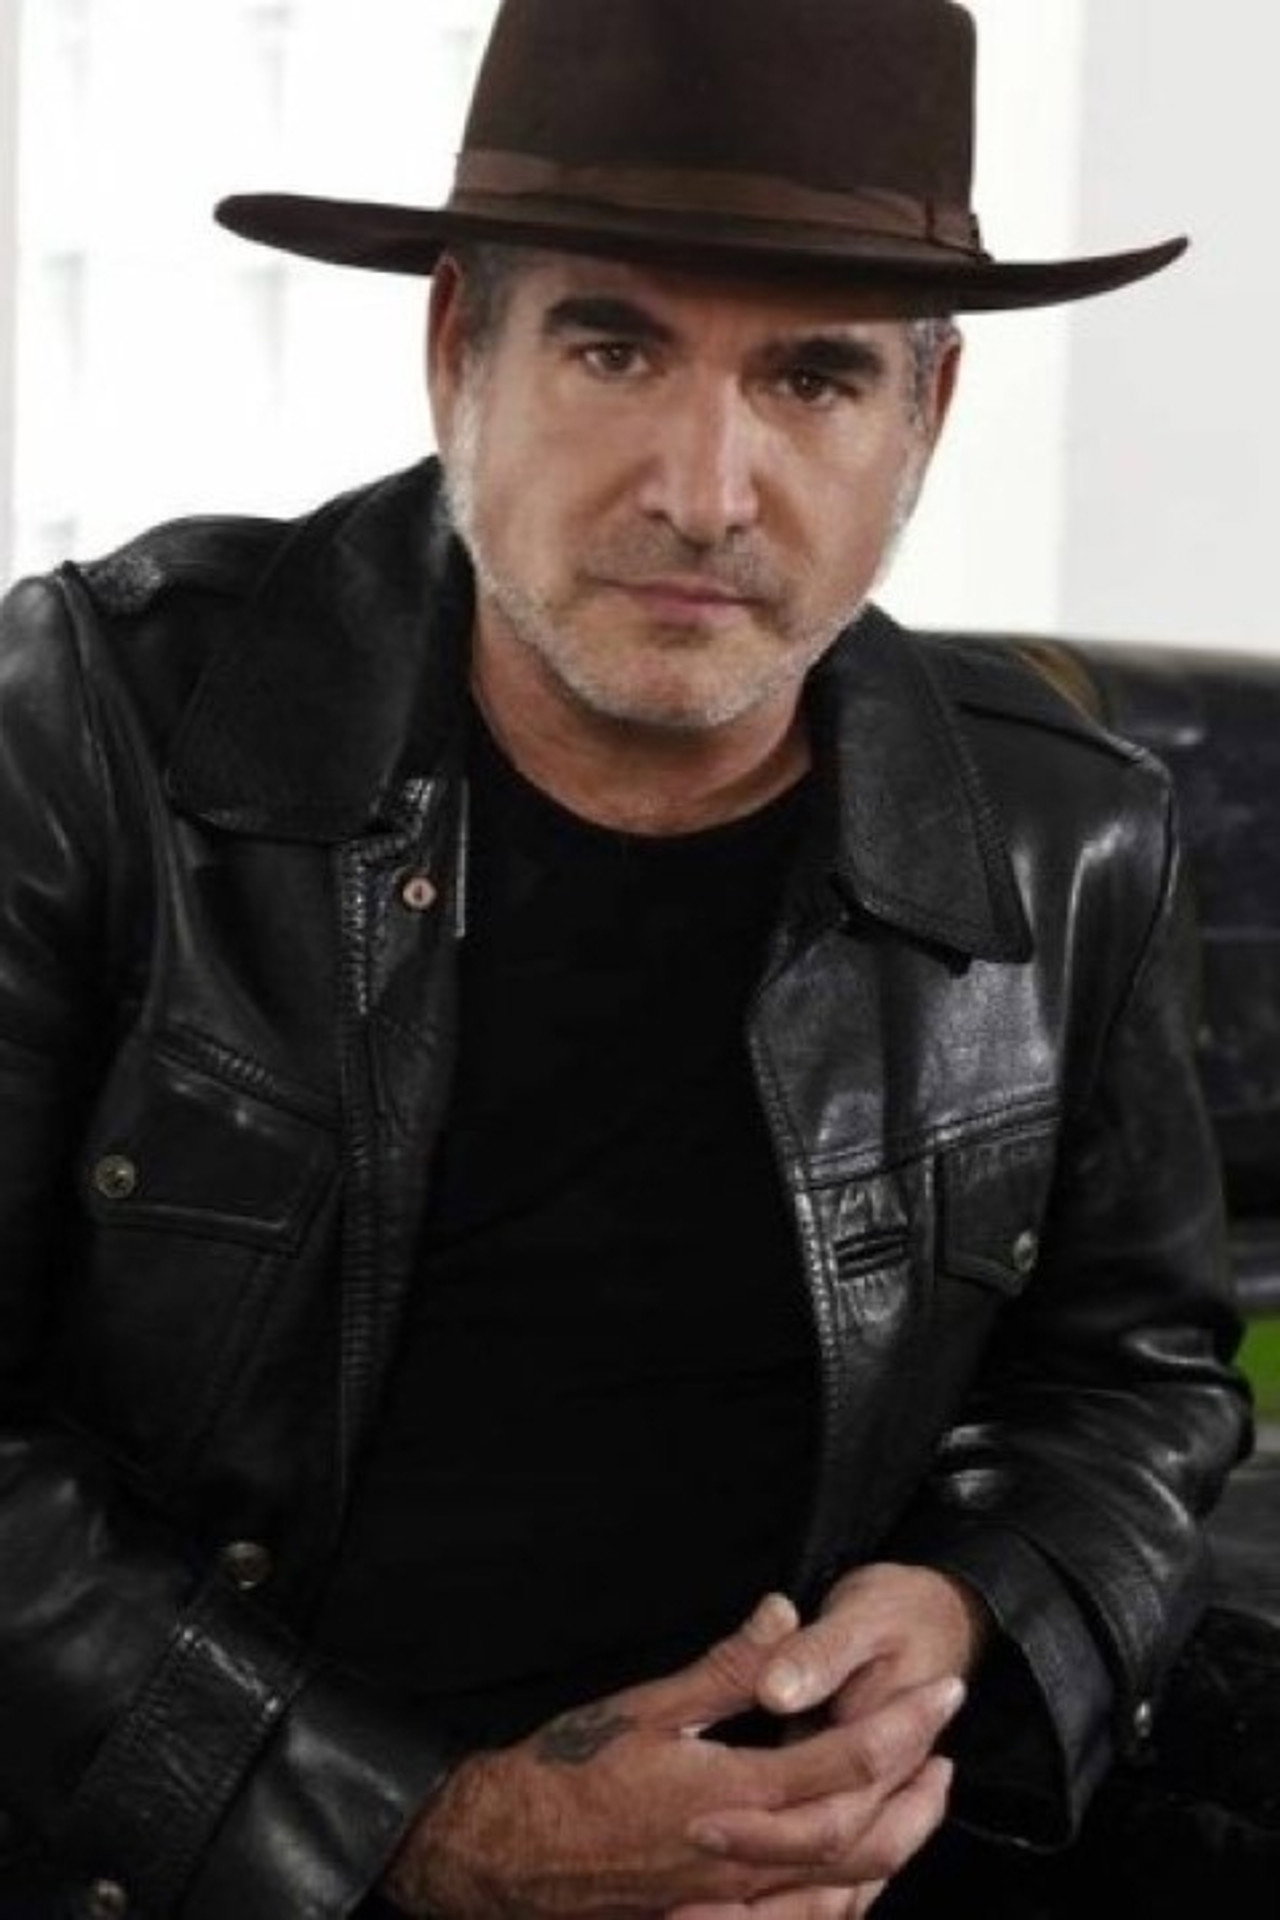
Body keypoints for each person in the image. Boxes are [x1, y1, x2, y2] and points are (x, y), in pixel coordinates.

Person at [0, 0, 1251, 1915]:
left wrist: (963, 1619)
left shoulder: (1064, 837)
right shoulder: (98, 726)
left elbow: (1133, 1381)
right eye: (614, 348)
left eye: (815, 379)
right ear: (457, 355)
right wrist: (422, 1837)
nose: (705, 490)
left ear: (926, 418)